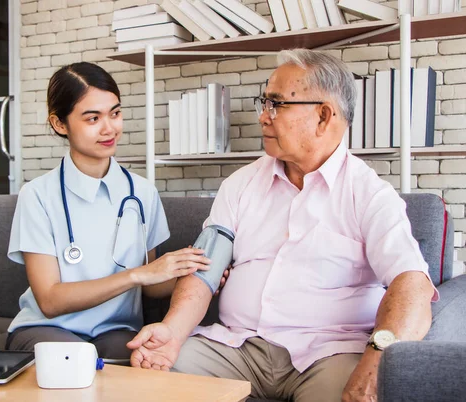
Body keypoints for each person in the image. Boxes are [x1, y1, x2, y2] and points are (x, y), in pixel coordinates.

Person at [127, 49, 438, 402]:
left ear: (323, 116)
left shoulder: (370, 195)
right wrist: (173, 331)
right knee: (150, 376)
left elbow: (412, 285)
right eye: (265, 103)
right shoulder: (240, 185)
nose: (263, 117)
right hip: (237, 347)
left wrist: (377, 362)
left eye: (277, 105)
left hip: (329, 353)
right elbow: (204, 269)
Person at [5, 62, 211, 360]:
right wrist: (137, 275)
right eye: (93, 118)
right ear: (59, 124)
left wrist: (196, 271)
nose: (109, 128)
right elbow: (49, 300)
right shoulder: (37, 195)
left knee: (153, 362)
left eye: (115, 113)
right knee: (76, 362)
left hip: (116, 330)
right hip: (47, 327)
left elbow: (151, 286)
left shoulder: (143, 194)